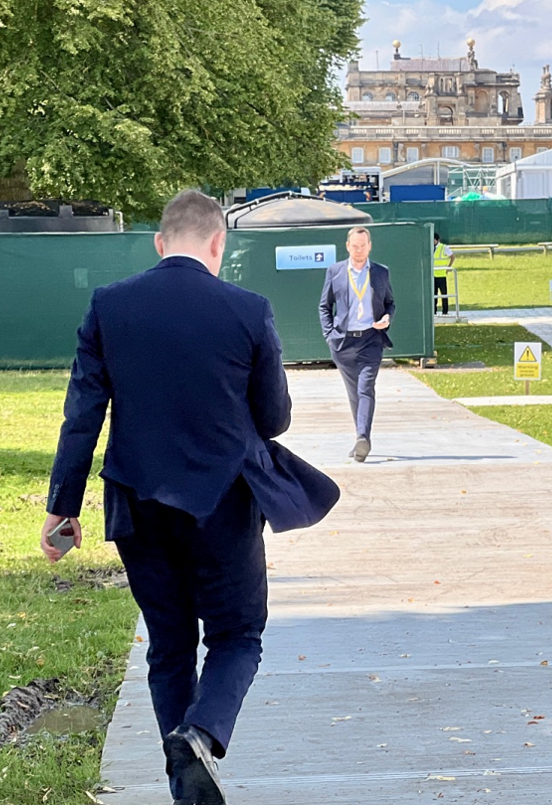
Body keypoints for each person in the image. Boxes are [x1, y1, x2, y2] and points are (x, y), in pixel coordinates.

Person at [41, 189, 339, 805]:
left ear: (159, 242)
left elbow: (82, 415)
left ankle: (187, 789)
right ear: (217, 243)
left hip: (137, 503)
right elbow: (275, 417)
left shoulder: (109, 306)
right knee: (238, 635)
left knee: (169, 645)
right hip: (222, 503)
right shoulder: (248, 310)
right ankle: (201, 733)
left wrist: (62, 506)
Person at [318, 226, 395, 463]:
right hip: (343, 342)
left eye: (363, 246)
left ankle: (363, 437)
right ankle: (359, 439)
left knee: (365, 388)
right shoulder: (336, 271)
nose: (359, 250)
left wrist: (386, 318)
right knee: (354, 393)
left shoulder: (381, 272)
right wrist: (329, 335)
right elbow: (324, 306)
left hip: (371, 339)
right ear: (347, 246)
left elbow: (390, 303)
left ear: (369, 246)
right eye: (355, 246)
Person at [433, 232, 456, 315]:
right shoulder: (429, 248)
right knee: (433, 295)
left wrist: (448, 267)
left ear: (437, 240)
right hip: (432, 275)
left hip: (441, 274)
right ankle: (434, 311)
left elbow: (452, 257)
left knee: (444, 294)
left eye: (433, 240)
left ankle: (445, 311)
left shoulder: (444, 247)